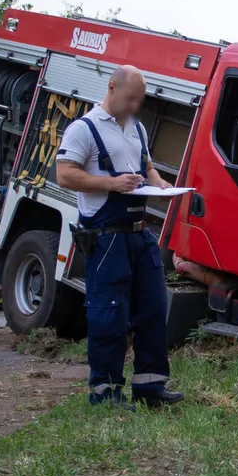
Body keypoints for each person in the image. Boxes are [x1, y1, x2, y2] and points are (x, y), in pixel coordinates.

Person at [55, 65, 183, 408]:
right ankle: (106, 392)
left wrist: (159, 184)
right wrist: (111, 184)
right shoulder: (83, 129)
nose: (135, 105)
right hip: (106, 235)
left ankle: (151, 387)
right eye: (131, 98)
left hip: (140, 234)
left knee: (154, 308)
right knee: (109, 314)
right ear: (112, 88)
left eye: (139, 99)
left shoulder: (137, 128)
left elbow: (147, 166)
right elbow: (65, 175)